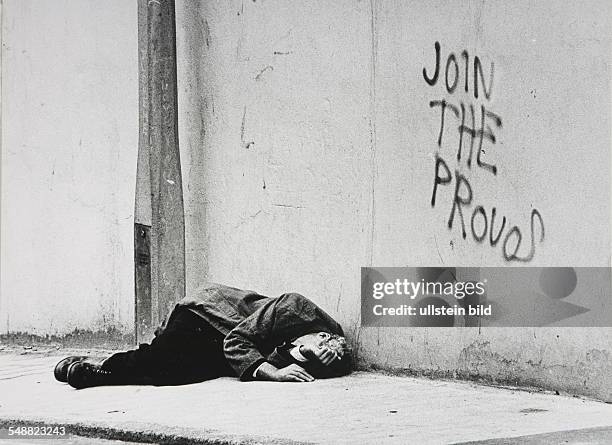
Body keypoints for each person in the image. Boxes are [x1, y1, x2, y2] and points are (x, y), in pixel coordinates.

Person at [54, 283, 352, 389]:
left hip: (225, 343)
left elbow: (286, 354)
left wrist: (307, 355)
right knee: (168, 366)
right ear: (320, 333)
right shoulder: (295, 307)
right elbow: (238, 342)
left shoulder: (324, 350)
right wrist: (274, 374)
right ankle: (98, 368)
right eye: (314, 346)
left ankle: (98, 366)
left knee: (183, 373)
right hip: (210, 315)